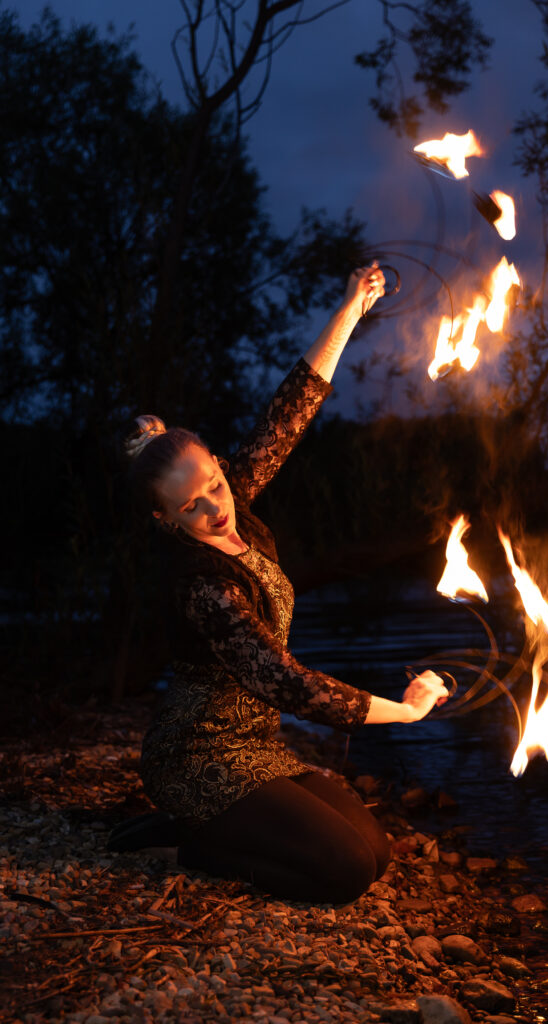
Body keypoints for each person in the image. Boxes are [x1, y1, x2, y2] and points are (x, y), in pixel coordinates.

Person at [111, 264, 449, 904]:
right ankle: (188, 841)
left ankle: (219, 831)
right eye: (192, 508)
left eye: (214, 482)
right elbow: (288, 682)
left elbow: (292, 409)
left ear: (217, 464)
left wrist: (352, 306)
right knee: (344, 874)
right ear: (166, 518)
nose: (215, 509)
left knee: (374, 854)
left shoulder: (231, 497)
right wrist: (402, 710)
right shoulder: (202, 586)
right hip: (197, 757)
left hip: (257, 746)